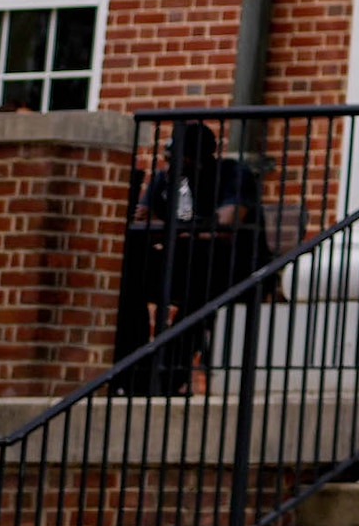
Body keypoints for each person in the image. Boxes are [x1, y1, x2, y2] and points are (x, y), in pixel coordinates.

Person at [109, 122, 268, 393]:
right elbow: (144, 223)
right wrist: (180, 230)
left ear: (202, 161)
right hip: (183, 263)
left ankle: (165, 378)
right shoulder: (165, 179)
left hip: (233, 268)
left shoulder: (232, 174)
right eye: (169, 161)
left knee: (200, 285)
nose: (172, 169)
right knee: (129, 274)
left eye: (182, 163)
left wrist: (167, 227)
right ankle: (130, 371)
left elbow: (225, 227)